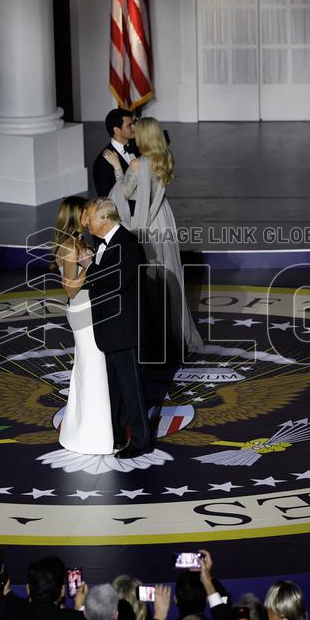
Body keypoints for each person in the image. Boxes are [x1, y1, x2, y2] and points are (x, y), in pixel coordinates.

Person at [103, 116, 203, 355]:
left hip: (148, 222)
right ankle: (173, 334)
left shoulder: (139, 163)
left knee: (151, 278)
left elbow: (122, 194)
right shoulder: (165, 157)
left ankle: (156, 337)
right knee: (168, 275)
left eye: (137, 132)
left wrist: (118, 168)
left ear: (144, 136)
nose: (134, 135)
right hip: (164, 218)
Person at [81, 198, 152, 459]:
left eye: (89, 217)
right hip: (111, 330)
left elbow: (116, 284)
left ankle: (142, 440)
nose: (86, 222)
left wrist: (90, 265)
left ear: (104, 219)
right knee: (114, 389)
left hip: (125, 331)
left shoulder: (128, 245)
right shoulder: (107, 244)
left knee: (131, 389)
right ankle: (117, 434)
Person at [50, 196, 115, 454]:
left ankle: (88, 430)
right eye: (86, 213)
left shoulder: (81, 242)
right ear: (78, 217)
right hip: (83, 310)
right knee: (92, 369)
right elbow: (70, 289)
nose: (91, 216)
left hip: (91, 308)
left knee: (91, 368)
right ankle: (92, 436)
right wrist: (92, 267)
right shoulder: (69, 246)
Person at [93, 109, 138, 210]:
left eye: (133, 124)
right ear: (117, 130)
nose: (134, 128)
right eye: (129, 125)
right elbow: (106, 199)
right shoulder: (103, 161)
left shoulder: (137, 148)